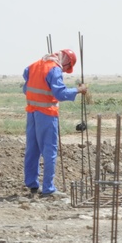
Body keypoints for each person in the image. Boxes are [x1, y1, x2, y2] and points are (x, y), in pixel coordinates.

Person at [23, 49, 88, 197]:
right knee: (49, 151)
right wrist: (79, 90)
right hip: (47, 114)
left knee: (32, 150)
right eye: (66, 67)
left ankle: (32, 185)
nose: (64, 70)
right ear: (66, 61)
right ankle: (48, 189)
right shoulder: (54, 69)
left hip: (32, 112)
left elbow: (26, 88)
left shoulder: (34, 65)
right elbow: (60, 93)